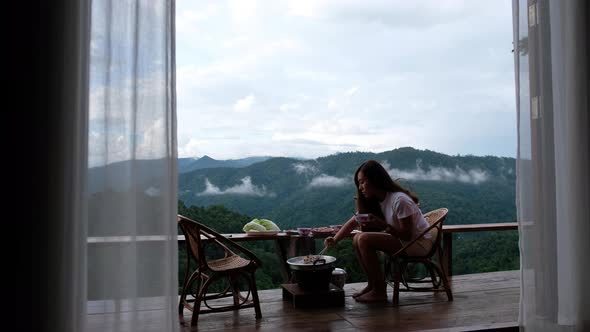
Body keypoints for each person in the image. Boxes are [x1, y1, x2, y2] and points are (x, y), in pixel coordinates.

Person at [324, 160, 433, 303]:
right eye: (359, 184)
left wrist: (382, 224)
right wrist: (334, 239)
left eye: (363, 182)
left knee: (363, 238)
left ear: (375, 180)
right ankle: (373, 285)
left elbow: (408, 235)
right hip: (404, 241)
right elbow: (353, 222)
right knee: (358, 238)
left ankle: (379, 291)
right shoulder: (378, 200)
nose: (361, 187)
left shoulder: (399, 200)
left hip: (418, 244)